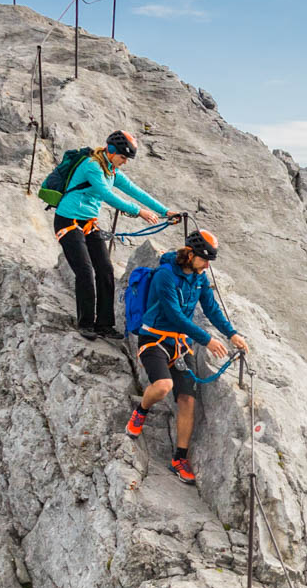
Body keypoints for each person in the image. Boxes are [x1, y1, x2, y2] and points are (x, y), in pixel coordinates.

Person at [126, 229, 248, 485]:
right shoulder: (165, 275)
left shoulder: (200, 278)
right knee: (163, 386)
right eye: (203, 259)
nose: (207, 265)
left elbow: (211, 309)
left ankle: (179, 458)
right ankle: (141, 411)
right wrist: (207, 339)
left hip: (179, 344)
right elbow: (173, 315)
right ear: (190, 254)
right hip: (154, 338)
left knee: (187, 400)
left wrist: (231, 333)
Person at [53, 130, 170, 339]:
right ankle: (86, 323)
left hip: (88, 223)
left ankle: (105, 324)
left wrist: (165, 211)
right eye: (123, 157)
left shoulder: (111, 170)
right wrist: (139, 211)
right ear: (112, 151)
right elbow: (106, 195)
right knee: (86, 271)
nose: (124, 162)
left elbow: (135, 190)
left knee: (105, 270)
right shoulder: (92, 166)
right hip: (67, 221)